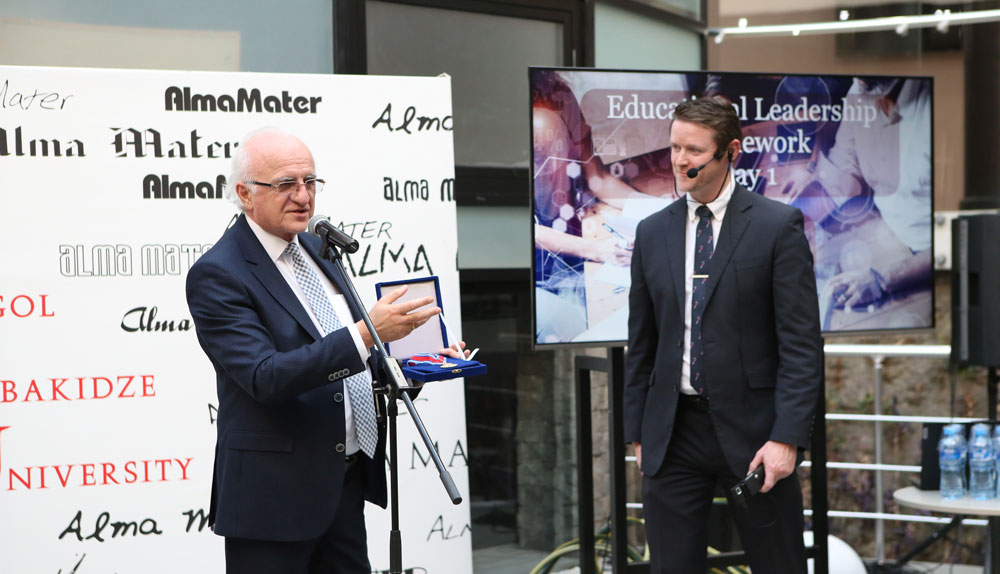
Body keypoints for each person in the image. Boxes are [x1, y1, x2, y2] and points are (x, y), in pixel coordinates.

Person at [185, 127, 467, 574]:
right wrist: (368, 333)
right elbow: (265, 376)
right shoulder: (219, 273)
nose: (303, 196)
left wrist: (416, 365)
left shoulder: (319, 249)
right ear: (245, 193)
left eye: (310, 181)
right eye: (285, 184)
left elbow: (354, 359)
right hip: (272, 501)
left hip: (342, 483)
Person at [624, 96, 823, 573]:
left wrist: (787, 438)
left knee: (779, 565)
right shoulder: (651, 233)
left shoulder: (777, 226)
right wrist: (638, 433)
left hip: (757, 434)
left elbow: (801, 345)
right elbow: (642, 343)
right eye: (675, 147)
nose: (680, 161)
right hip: (672, 434)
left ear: (730, 151)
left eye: (693, 150)